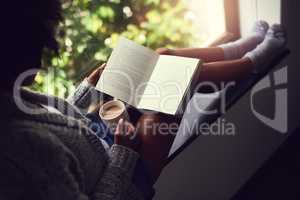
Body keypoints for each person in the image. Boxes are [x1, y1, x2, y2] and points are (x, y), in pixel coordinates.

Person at [0, 0, 287, 199]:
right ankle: (255, 61)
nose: (41, 59)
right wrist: (123, 152)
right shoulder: (24, 152)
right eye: (40, 48)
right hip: (123, 175)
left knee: (161, 57)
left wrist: (90, 87)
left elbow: (58, 118)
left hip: (95, 133)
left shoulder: (8, 94)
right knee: (175, 79)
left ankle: (238, 47)